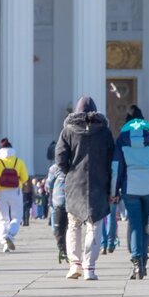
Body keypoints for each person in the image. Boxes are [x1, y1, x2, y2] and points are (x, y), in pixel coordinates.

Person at [55, 96, 116, 281]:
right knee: (95, 225)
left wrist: (71, 172)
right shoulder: (104, 132)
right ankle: (90, 267)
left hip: (75, 185)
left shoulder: (68, 131)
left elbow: (60, 158)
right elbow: (111, 158)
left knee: (73, 225)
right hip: (99, 183)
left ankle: (75, 264)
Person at [112, 105, 149, 279]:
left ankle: (137, 263)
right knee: (146, 224)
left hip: (130, 188)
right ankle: (144, 258)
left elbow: (117, 168)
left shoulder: (121, 140)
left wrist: (114, 190)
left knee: (135, 224)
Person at [0, 138, 28, 253]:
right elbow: (25, 178)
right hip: (15, 191)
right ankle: (10, 234)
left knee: (2, 219)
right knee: (16, 217)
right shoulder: (18, 161)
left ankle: (5, 244)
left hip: (1, 193)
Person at [45, 159, 69, 264]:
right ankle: (67, 250)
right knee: (70, 228)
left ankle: (62, 249)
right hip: (73, 201)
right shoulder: (76, 165)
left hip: (57, 201)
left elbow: (48, 185)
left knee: (57, 228)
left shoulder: (54, 168)